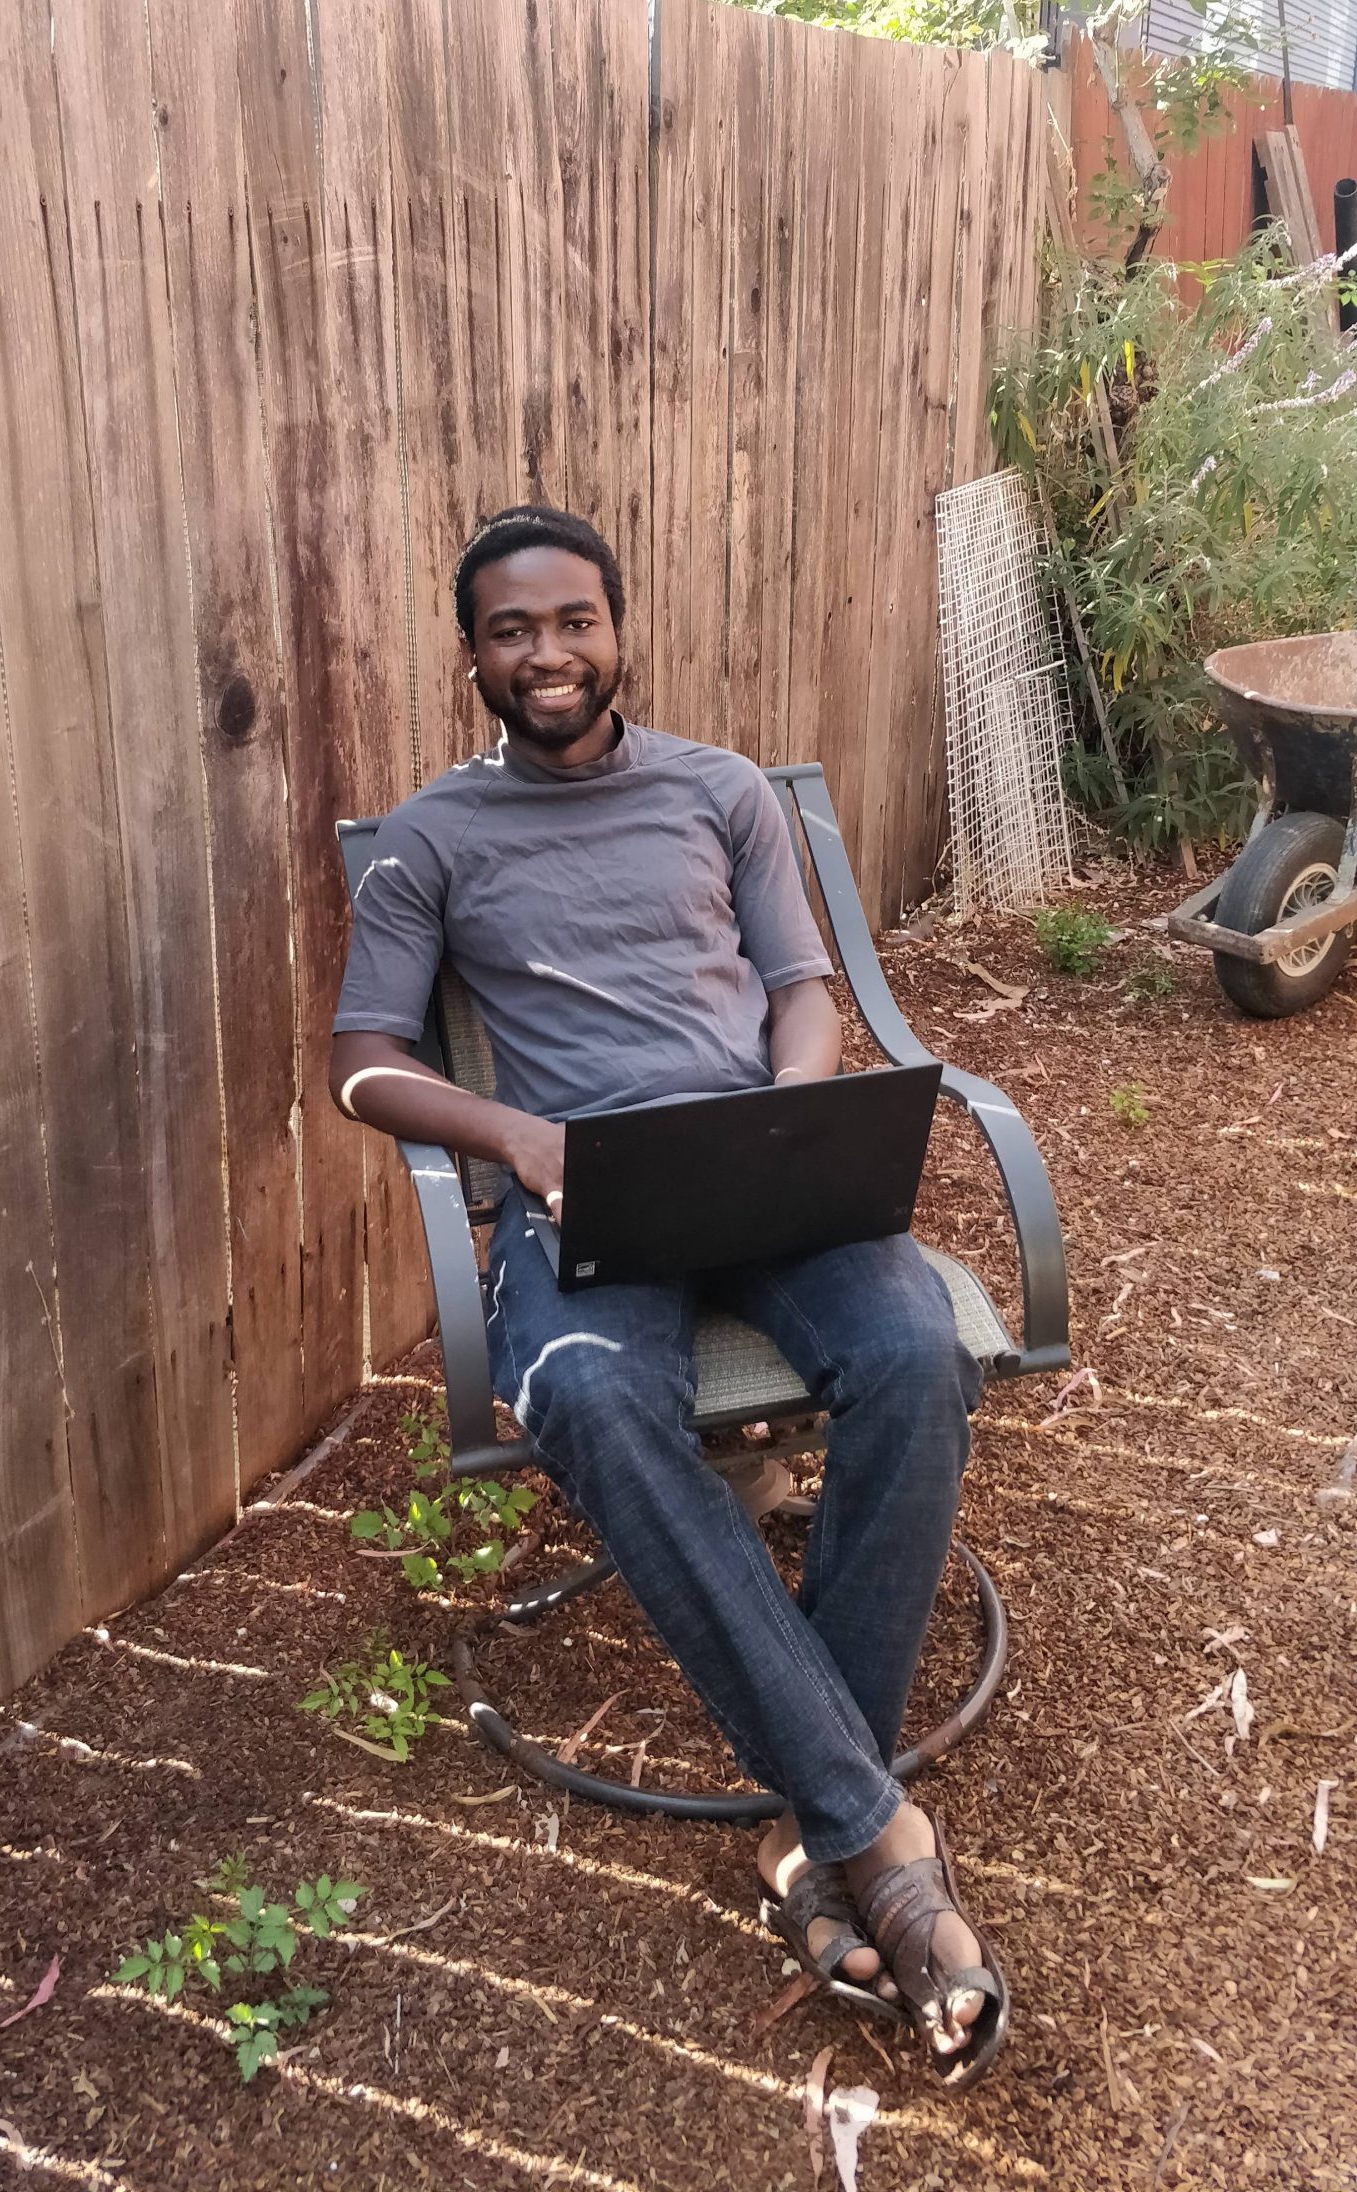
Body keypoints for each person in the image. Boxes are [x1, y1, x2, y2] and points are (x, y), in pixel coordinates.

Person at [330, 504, 1008, 2088]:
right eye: (512, 632)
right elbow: (365, 1060)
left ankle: (815, 1829)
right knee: (586, 1395)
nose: (547, 656)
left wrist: (786, 1119)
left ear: (617, 625)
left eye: (573, 622)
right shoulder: (432, 838)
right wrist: (520, 1141)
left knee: (912, 1345)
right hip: (583, 1202)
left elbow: (800, 990)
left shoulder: (719, 793)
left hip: (756, 1174)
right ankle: (868, 1833)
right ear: (476, 656)